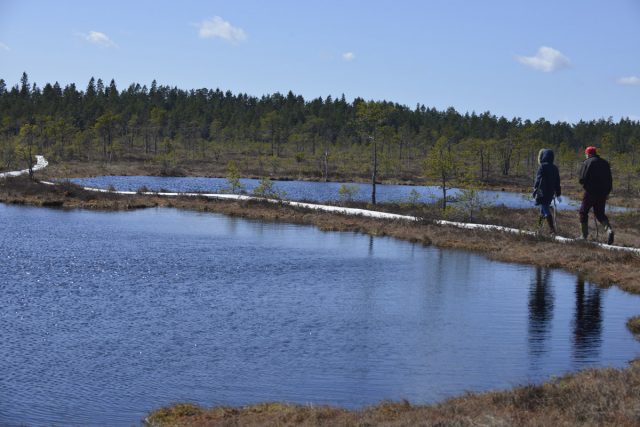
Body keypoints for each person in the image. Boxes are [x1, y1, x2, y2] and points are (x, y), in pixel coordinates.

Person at [578, 146, 614, 244]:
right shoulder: (605, 163)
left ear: (588, 154)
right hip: (603, 193)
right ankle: (609, 231)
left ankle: (584, 236)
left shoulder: (587, 162)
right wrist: (607, 192)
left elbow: (581, 179)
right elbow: (610, 180)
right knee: (600, 214)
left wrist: (586, 185)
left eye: (585, 154)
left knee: (583, 212)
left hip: (590, 192)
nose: (585, 155)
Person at [533, 148, 561, 235]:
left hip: (542, 192)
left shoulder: (542, 166)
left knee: (545, 209)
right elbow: (557, 182)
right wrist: (558, 194)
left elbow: (538, 179)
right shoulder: (555, 168)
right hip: (550, 193)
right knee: (542, 210)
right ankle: (538, 230)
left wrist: (535, 189)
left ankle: (552, 230)